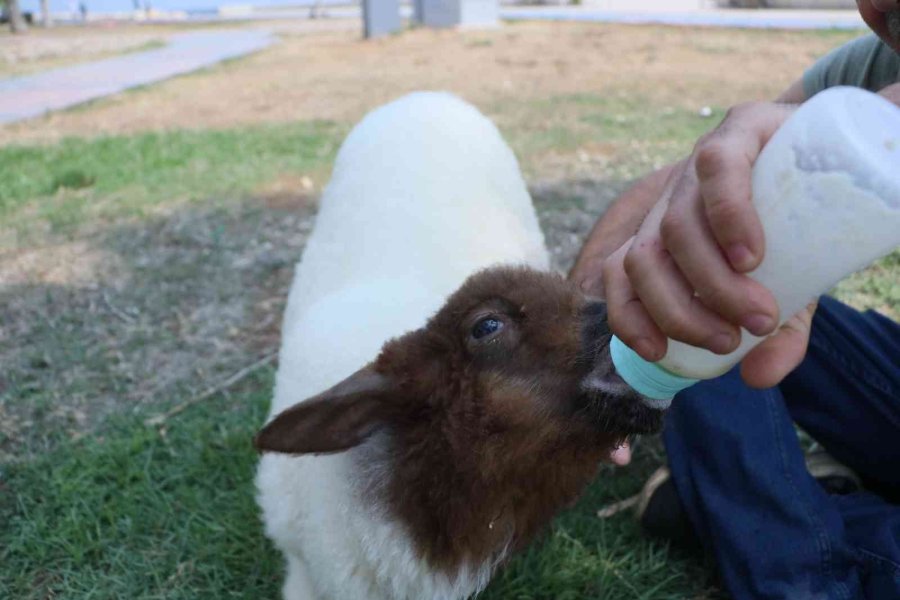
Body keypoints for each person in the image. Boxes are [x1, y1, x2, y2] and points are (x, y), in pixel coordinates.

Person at [570, 1, 900, 598]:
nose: (876, 7)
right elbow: (676, 184)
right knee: (703, 286)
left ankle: (781, 539)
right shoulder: (877, 59)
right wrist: (584, 327)